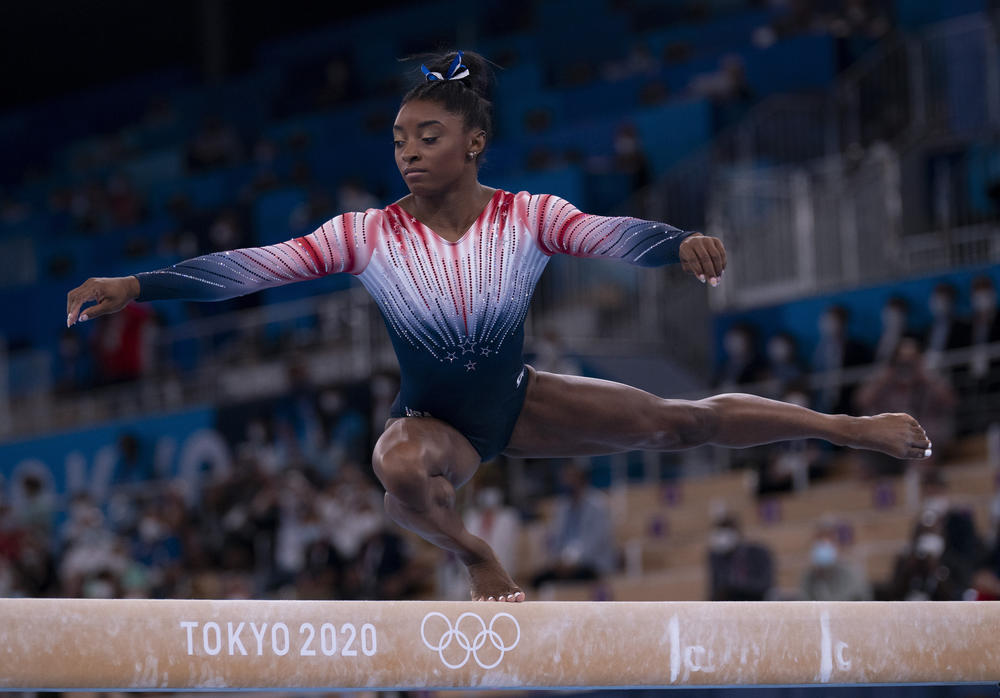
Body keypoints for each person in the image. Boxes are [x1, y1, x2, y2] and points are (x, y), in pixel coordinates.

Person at [66, 50, 933, 603]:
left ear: (474, 142)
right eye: (399, 136)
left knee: (682, 421)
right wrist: (138, 283)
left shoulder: (527, 216)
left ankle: (844, 426)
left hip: (520, 401)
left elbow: (610, 234)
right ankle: (475, 553)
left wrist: (680, 245)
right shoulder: (366, 235)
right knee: (396, 468)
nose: (406, 150)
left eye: (427, 135)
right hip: (437, 423)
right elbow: (247, 267)